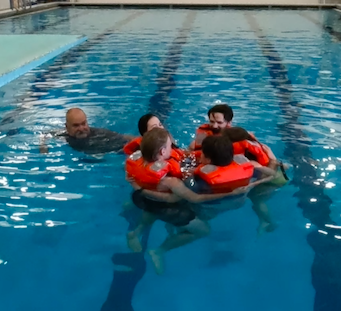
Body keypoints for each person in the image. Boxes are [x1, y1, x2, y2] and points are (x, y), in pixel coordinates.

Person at [126, 129, 273, 274]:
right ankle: (159, 250)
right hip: (166, 206)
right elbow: (186, 198)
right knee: (203, 230)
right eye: (171, 146)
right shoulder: (172, 181)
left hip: (144, 200)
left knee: (154, 208)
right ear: (162, 152)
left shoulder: (138, 164)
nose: (174, 147)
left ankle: (135, 232)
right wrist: (232, 191)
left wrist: (138, 188)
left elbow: (133, 178)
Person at [222, 126, 289, 234]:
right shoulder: (260, 147)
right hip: (279, 174)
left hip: (272, 181)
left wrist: (253, 184)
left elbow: (269, 175)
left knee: (257, 201)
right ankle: (263, 221)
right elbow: (282, 165)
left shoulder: (250, 160)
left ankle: (271, 222)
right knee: (255, 200)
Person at [39, 108, 135, 155]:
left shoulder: (99, 133)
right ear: (67, 127)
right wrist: (43, 146)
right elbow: (44, 135)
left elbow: (124, 137)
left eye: (83, 123)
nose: (81, 128)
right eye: (76, 125)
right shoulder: (63, 135)